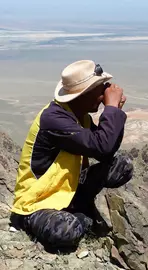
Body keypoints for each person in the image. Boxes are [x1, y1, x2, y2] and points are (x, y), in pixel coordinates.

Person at [9, 60, 133, 250]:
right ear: (83, 94)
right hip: (38, 201)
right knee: (67, 230)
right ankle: (33, 221)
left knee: (121, 167)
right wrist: (112, 109)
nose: (103, 96)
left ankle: (78, 208)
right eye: (100, 90)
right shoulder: (54, 119)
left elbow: (105, 152)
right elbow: (102, 147)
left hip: (68, 188)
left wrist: (116, 112)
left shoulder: (80, 116)